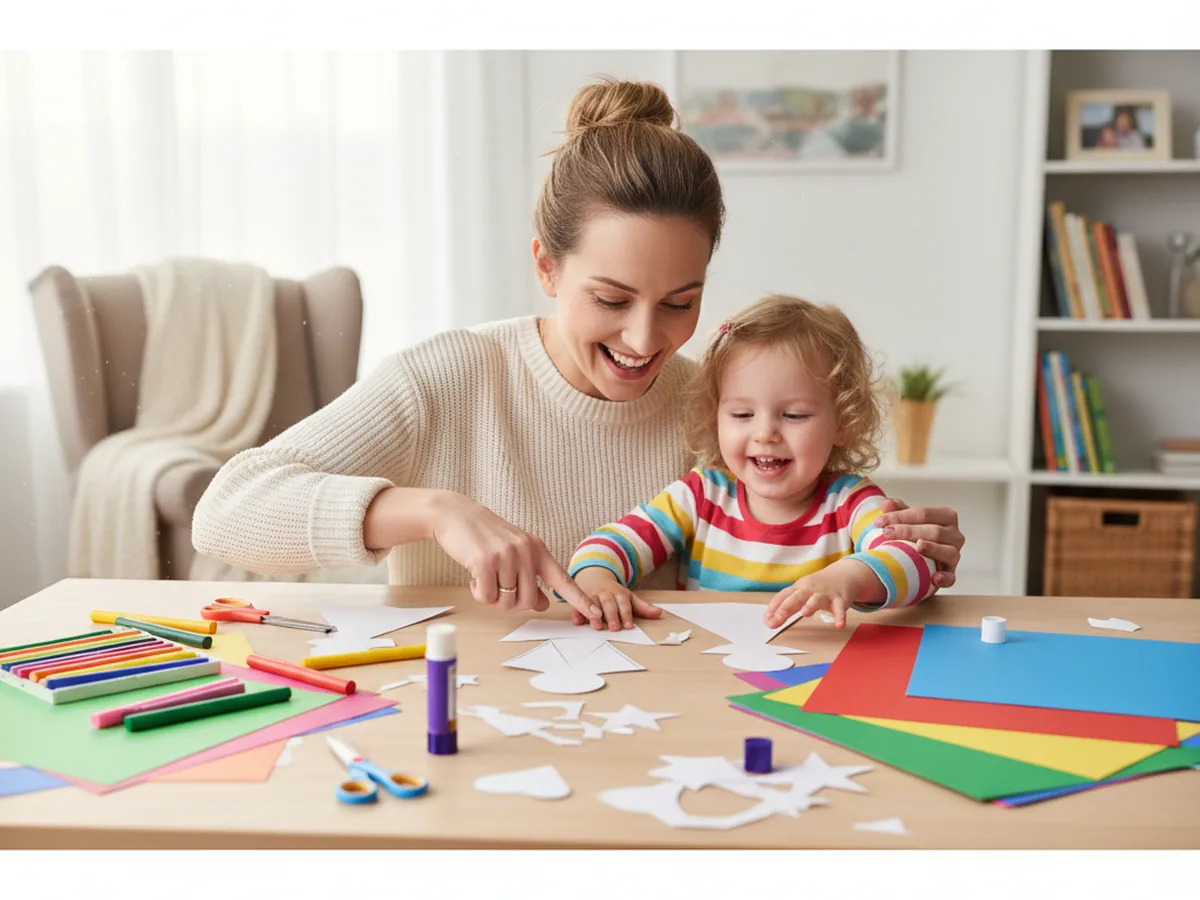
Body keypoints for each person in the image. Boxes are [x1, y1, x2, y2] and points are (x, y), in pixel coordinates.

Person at [192, 77, 965, 631]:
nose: (644, 341)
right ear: (546, 267)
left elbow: (806, 530)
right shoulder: (452, 376)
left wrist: (898, 556)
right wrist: (433, 511)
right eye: (610, 298)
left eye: (679, 303)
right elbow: (226, 513)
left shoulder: (717, 409)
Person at [568, 294, 937, 631]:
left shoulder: (851, 502)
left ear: (843, 421)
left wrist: (849, 577)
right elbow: (610, 543)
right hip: (708, 669)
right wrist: (597, 578)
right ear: (717, 416)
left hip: (819, 672)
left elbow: (919, 564)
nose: (766, 433)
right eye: (742, 414)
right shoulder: (702, 495)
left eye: (793, 415)